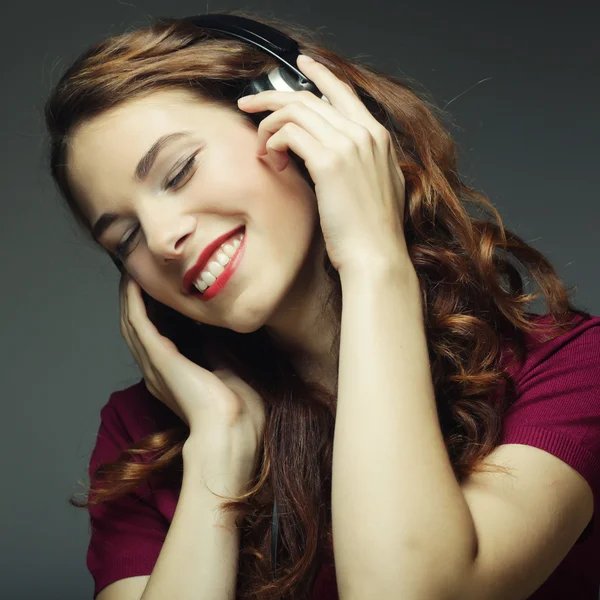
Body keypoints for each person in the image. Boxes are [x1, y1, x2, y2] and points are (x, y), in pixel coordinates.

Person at [44, 9, 600, 600]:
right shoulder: (142, 436)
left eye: (178, 171)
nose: (160, 239)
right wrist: (218, 449)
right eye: (123, 238)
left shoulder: (570, 369)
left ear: (300, 115)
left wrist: (372, 257)